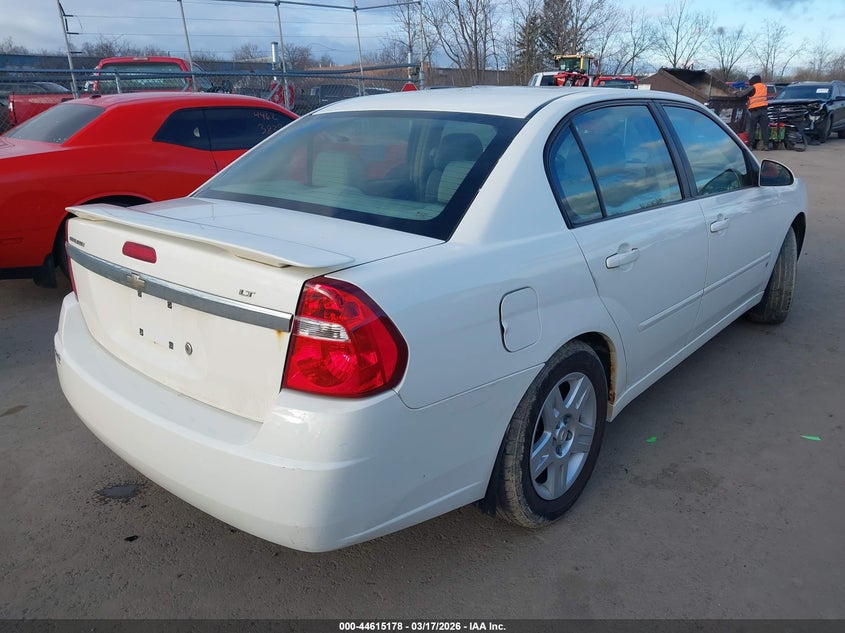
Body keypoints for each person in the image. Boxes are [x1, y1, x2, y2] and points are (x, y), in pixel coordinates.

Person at [738, 75, 772, 150]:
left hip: (754, 111)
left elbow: (741, 95)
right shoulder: (764, 87)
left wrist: (736, 92)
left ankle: (750, 145)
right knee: (765, 129)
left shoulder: (753, 87)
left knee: (752, 128)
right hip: (764, 110)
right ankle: (766, 145)